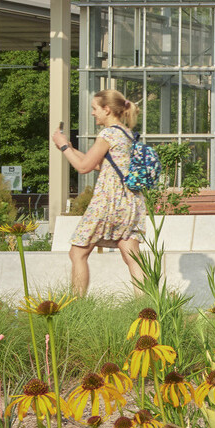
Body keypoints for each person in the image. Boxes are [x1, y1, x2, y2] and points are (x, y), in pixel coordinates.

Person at [50, 89, 147, 296]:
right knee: (132, 255)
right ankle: (149, 306)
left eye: (95, 109)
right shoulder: (127, 134)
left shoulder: (108, 134)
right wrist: (67, 148)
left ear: (107, 109)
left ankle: (76, 307)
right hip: (131, 202)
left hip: (108, 200)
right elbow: (100, 165)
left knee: (78, 252)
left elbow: (84, 167)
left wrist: (63, 145)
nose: (93, 113)